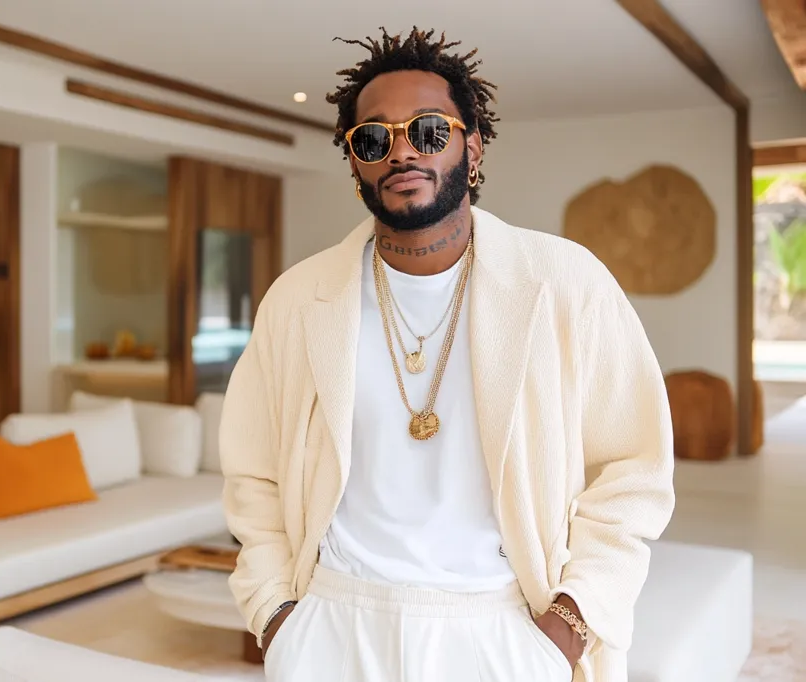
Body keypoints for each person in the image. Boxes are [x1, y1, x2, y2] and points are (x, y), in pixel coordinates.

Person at [219, 26, 675, 682]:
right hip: (333, 624)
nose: (402, 151)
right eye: (375, 138)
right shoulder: (297, 301)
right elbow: (252, 473)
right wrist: (277, 617)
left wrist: (573, 622)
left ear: (474, 146)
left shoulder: (566, 284)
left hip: (504, 628)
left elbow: (635, 467)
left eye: (429, 130)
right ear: (355, 164)